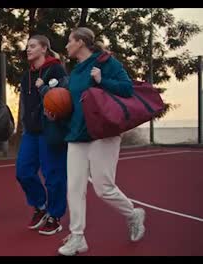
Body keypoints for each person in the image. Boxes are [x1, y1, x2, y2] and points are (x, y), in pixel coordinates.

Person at [58, 27, 146, 256]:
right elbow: (73, 104)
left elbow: (127, 89)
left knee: (103, 187)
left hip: (102, 132)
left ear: (80, 42)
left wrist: (102, 80)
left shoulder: (106, 62)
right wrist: (56, 111)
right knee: (74, 188)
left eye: (69, 41)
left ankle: (133, 214)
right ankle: (78, 237)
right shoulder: (75, 71)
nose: (66, 46)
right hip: (77, 134)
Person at [16, 35, 69, 235]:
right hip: (30, 132)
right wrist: (22, 125)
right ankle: (40, 206)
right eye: (27, 46)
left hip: (51, 131)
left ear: (44, 48)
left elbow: (64, 96)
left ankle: (55, 216)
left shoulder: (56, 69)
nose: (28, 49)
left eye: (32, 46)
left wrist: (47, 96)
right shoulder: (26, 75)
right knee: (23, 172)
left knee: (53, 176)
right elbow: (24, 104)